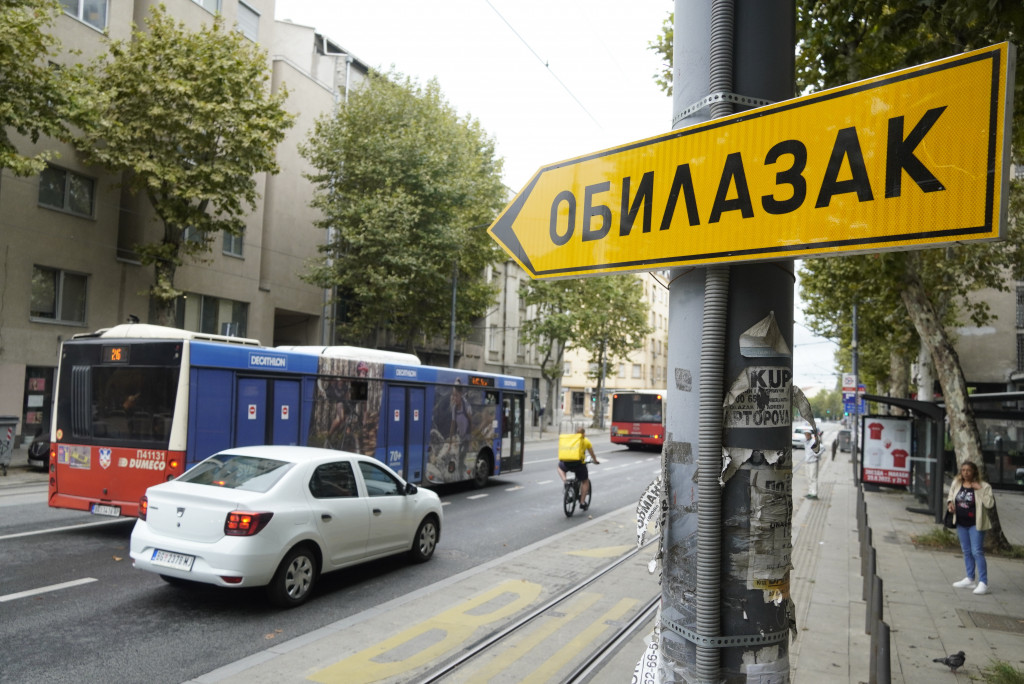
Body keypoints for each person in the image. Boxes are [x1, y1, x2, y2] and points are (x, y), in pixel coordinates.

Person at [947, 460, 995, 595]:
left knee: (977, 551)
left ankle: (983, 582)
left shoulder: (984, 486)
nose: (965, 473)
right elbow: (951, 495)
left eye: (968, 470)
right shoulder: (957, 483)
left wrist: (979, 490)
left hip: (976, 524)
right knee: (966, 551)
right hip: (961, 522)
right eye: (963, 470)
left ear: (974, 471)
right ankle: (969, 578)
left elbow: (990, 504)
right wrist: (950, 503)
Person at [558, 427, 599, 509]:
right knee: (585, 481)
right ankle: (582, 502)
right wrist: (595, 460)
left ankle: (565, 481)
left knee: (560, 467)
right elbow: (592, 453)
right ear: (584, 434)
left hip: (567, 463)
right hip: (579, 464)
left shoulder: (571, 440)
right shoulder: (586, 441)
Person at [803, 428, 821, 500]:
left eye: (808, 434)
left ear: (810, 435)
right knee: (808, 478)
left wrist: (816, 455)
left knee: (813, 478)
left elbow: (821, 448)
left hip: (813, 462)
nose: (806, 436)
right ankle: (810, 492)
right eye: (805, 435)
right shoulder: (806, 442)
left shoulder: (814, 441)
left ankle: (814, 493)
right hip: (807, 462)